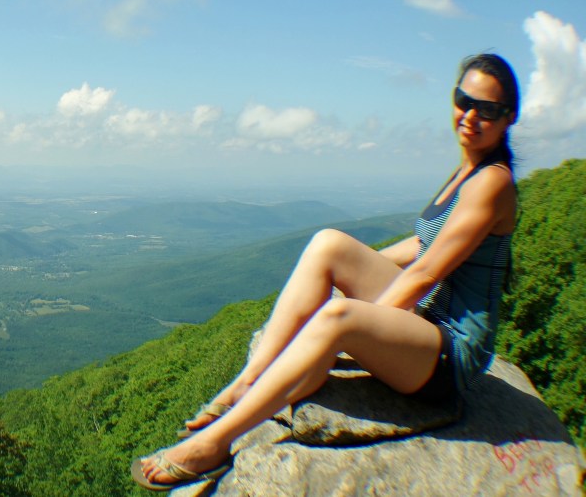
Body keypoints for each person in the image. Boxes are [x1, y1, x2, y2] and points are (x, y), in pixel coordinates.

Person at [133, 53, 520, 491]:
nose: (470, 116)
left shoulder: (493, 181)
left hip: (450, 351)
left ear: (508, 118)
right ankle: (246, 382)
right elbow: (423, 244)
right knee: (328, 244)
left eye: (486, 109)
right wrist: (353, 265)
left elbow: (426, 271)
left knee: (338, 318)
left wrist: (352, 321)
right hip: (426, 321)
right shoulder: (467, 169)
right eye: (463, 100)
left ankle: (215, 443)